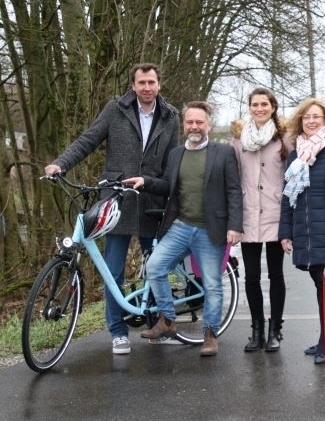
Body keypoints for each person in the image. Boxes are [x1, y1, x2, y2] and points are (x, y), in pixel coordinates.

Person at [44, 63, 180, 355]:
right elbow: (88, 140)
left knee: (155, 268)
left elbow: (175, 161)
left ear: (159, 84)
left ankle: (158, 323)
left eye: (152, 82)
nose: (147, 87)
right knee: (112, 270)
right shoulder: (115, 110)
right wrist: (61, 163)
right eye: (141, 82)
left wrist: (169, 191)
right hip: (115, 201)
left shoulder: (171, 117)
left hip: (151, 200)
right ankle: (118, 332)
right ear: (133, 85)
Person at [123, 101, 242, 357]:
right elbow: (168, 185)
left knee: (211, 285)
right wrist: (146, 182)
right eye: (190, 122)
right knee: (154, 267)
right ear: (184, 125)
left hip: (211, 229)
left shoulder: (223, 153)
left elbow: (234, 190)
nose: (194, 126)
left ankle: (210, 334)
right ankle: (167, 319)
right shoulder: (176, 154)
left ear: (208, 124)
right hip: (180, 226)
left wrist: (235, 226)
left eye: (199, 122)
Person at [278, 98, 325, 365]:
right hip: (305, 232)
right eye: (306, 117)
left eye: (316, 117)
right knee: (320, 289)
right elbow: (289, 197)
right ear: (300, 121)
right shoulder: (295, 154)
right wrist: (285, 232)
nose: (311, 121)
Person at [230, 88, 292, 352]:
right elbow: (233, 177)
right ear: (249, 107)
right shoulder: (238, 139)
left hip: (276, 213)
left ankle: (275, 328)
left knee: (276, 274)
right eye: (254, 104)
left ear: (273, 107)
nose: (259, 108)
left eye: (264, 104)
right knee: (252, 276)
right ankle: (256, 329)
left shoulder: (285, 138)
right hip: (248, 214)